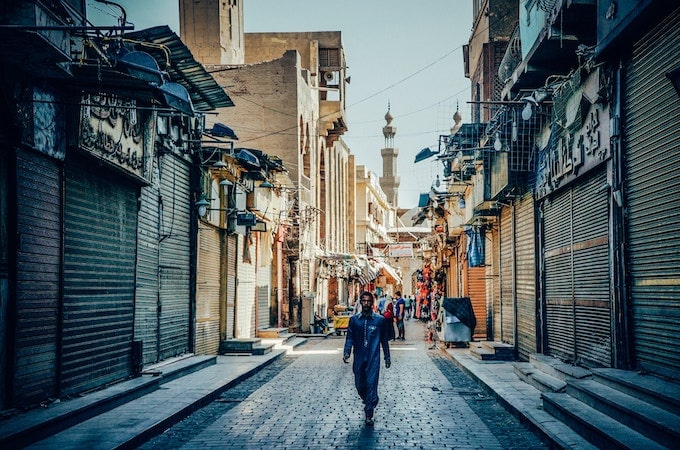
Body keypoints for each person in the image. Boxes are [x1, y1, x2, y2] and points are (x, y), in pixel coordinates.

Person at [343, 291, 391, 426]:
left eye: (369, 301)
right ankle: (371, 399)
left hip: (373, 358)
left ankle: (369, 412)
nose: (366, 303)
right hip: (358, 357)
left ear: (372, 303)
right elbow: (350, 338)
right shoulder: (354, 320)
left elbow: (384, 340)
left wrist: (387, 356)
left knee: (371, 384)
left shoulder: (379, 320)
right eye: (363, 301)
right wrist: (347, 351)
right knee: (359, 384)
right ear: (360, 302)